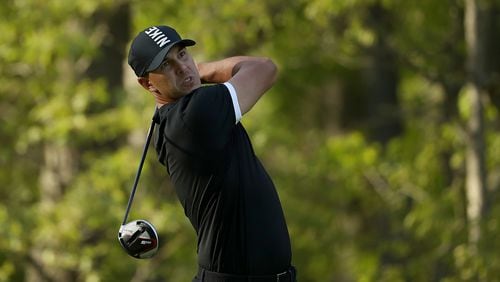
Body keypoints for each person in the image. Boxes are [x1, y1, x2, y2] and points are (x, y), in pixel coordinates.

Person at [127, 25, 296, 282]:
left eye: (183, 54)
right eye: (166, 65)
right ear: (147, 83)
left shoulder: (172, 120)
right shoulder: (195, 114)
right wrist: (202, 71)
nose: (182, 67)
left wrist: (188, 74)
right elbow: (264, 68)